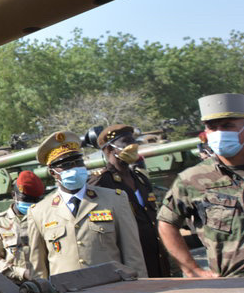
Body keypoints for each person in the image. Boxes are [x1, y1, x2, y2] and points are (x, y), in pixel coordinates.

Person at [27, 130, 147, 278]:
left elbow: (133, 255)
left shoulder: (115, 199)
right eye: (65, 165)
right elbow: (38, 269)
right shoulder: (39, 212)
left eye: (77, 162)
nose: (73, 168)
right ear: (53, 172)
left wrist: (141, 288)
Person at [158, 93, 244, 278]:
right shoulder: (192, 179)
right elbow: (167, 223)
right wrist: (192, 270)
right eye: (212, 128)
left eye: (228, 126)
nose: (220, 133)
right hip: (232, 287)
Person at [88, 124, 171, 277]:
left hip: (156, 260)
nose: (132, 146)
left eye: (133, 141)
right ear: (109, 149)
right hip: (129, 263)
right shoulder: (101, 183)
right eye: (126, 142)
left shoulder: (140, 179)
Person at [0, 170, 45, 283]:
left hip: (45, 282)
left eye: (34, 200)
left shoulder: (44, 218)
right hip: (13, 285)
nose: (30, 204)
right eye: (26, 199)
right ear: (14, 195)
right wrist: (22, 273)